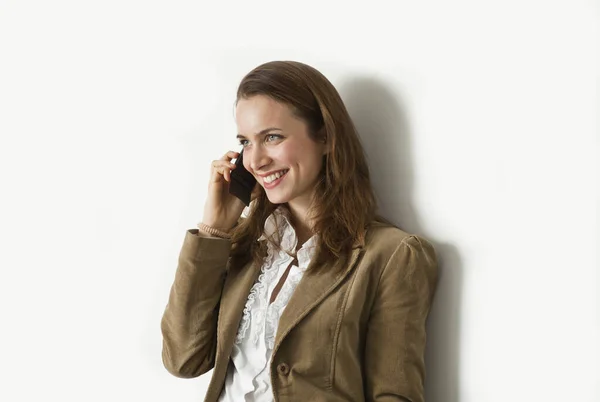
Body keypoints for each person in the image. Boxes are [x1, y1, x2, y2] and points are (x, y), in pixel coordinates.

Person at [161, 60, 438, 402]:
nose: (256, 160)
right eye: (245, 142)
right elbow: (183, 360)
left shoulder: (392, 256)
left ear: (324, 136)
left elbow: (395, 395)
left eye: (272, 137)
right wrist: (214, 230)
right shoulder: (247, 243)